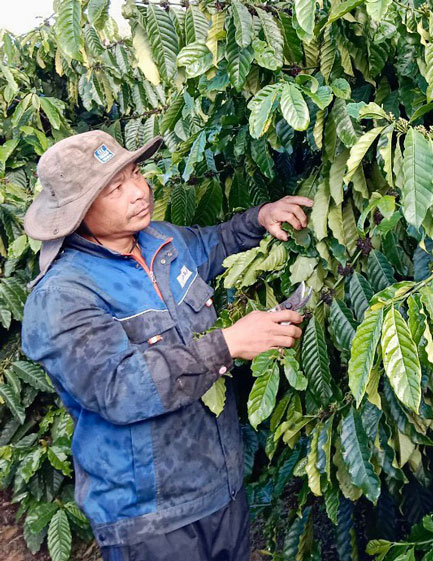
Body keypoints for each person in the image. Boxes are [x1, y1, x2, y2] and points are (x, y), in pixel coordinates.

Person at [20, 130, 313, 561]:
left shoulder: (161, 241)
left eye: (135, 173)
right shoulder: (63, 297)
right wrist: (227, 344)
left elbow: (216, 244)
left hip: (221, 490)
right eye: (115, 188)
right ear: (78, 213)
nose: (139, 191)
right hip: (151, 521)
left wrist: (260, 218)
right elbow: (120, 387)